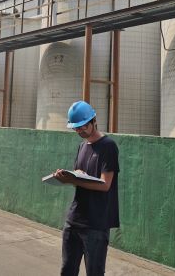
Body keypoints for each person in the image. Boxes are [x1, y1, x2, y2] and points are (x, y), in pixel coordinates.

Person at [53, 100, 120, 276]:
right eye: (76, 128)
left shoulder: (108, 146)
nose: (79, 130)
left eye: (83, 126)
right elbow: (80, 176)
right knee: (67, 270)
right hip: (74, 220)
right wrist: (69, 176)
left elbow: (105, 185)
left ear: (94, 121)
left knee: (94, 272)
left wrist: (74, 180)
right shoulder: (82, 146)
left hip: (96, 224)